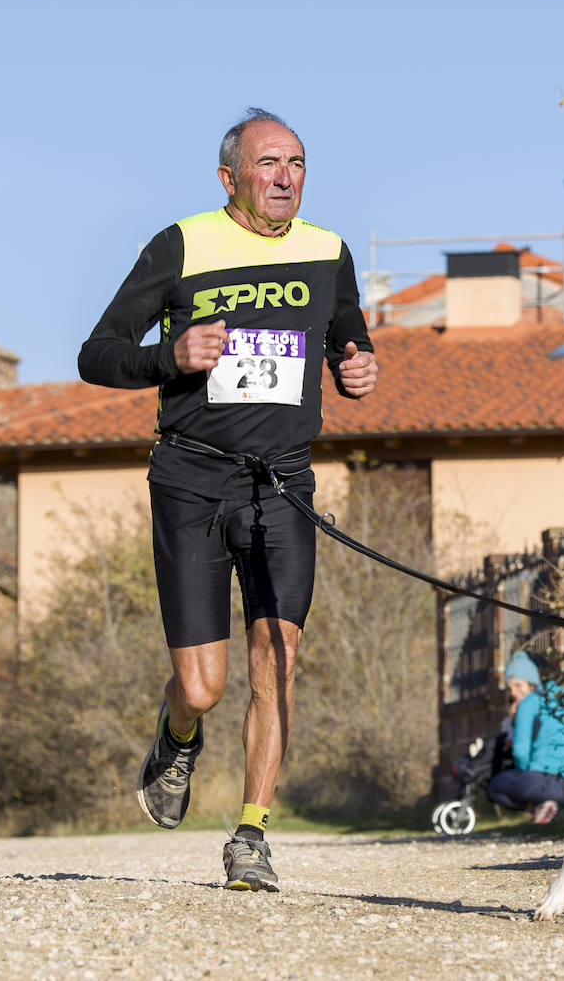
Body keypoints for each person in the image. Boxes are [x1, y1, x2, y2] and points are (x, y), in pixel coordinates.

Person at [78, 108, 379, 891]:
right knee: (205, 686)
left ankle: (252, 833)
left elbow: (348, 332)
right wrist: (168, 356)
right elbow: (96, 353)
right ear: (230, 178)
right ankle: (177, 736)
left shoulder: (328, 252)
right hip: (190, 479)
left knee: (278, 657)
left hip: (281, 482)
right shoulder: (182, 244)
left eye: (298, 163)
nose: (286, 177)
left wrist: (359, 365)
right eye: (270, 163)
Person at [486, 651, 564, 824]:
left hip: (542, 782)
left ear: (531, 682)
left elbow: (520, 752)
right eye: (509, 688)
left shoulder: (527, 704)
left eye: (518, 685)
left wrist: (524, 771)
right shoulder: (563, 696)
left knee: (495, 787)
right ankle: (552, 806)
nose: (513, 693)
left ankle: (540, 807)